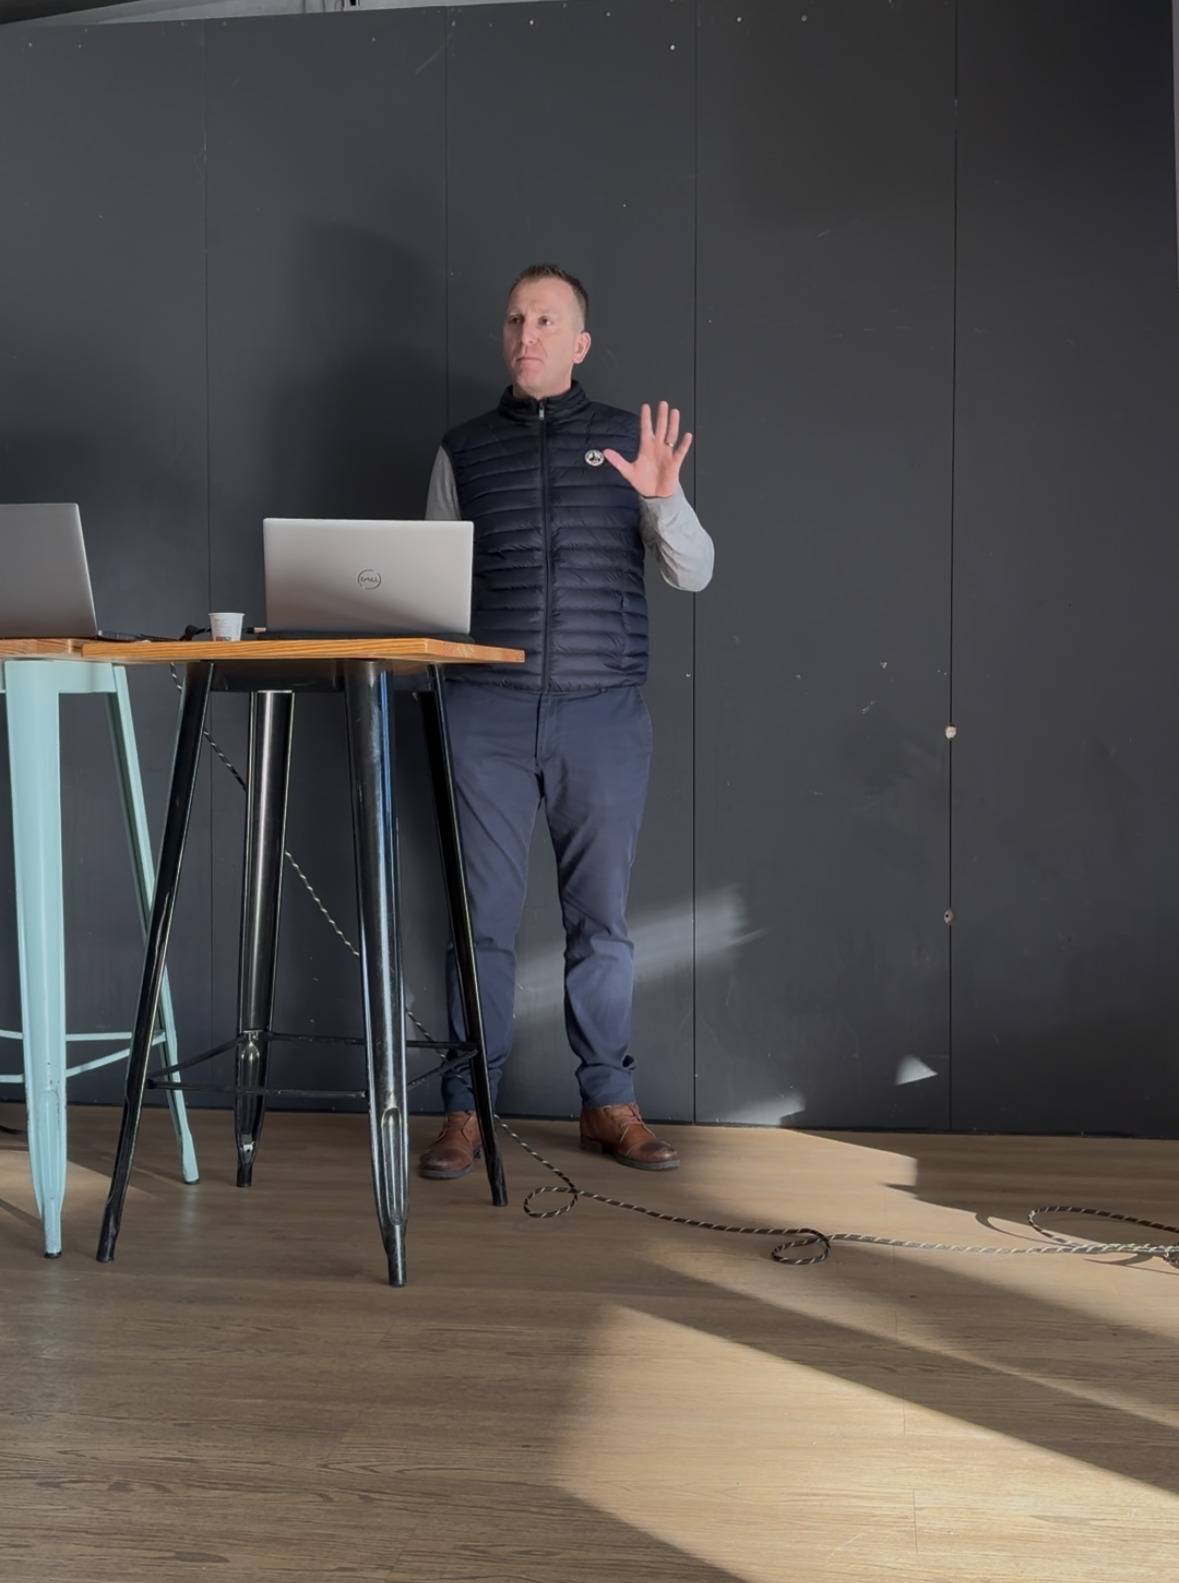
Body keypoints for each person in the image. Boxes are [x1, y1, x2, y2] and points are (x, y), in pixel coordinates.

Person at [420, 263, 713, 1179]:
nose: (527, 334)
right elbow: (430, 593)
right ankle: (467, 1106)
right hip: (486, 713)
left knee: (601, 923)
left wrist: (660, 496)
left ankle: (607, 1102)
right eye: (515, 318)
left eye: (546, 320)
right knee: (480, 920)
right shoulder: (462, 450)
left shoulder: (631, 443)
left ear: (579, 343)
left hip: (602, 715)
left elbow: (695, 571)